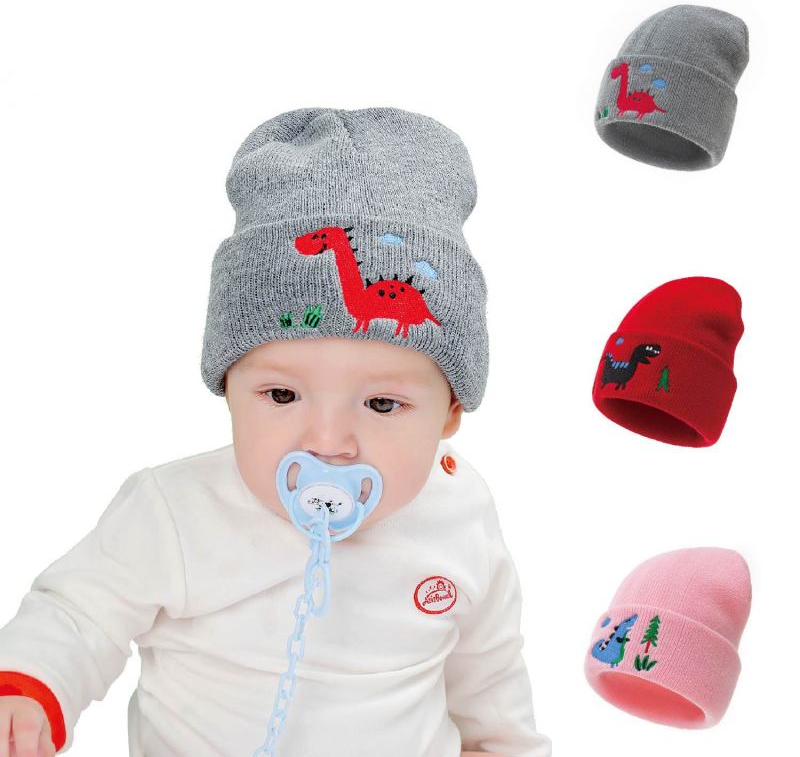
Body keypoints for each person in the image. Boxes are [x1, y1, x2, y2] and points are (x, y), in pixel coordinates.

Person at [0, 108, 552, 757]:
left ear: (450, 412)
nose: (328, 441)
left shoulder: (460, 513)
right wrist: (30, 687)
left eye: (382, 404)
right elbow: (79, 612)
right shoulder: (177, 511)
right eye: (282, 396)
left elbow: (489, 671)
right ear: (228, 390)